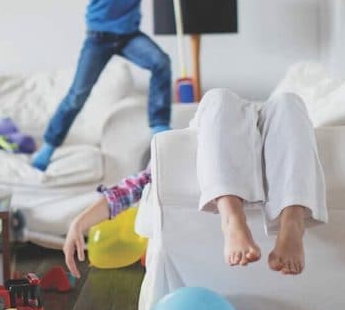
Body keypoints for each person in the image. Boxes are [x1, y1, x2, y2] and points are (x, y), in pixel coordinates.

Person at [63, 88, 328, 278]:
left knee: (289, 101)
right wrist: (79, 223)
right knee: (219, 97)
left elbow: (130, 188)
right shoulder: (205, 136)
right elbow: (130, 188)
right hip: (222, 131)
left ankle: (292, 222)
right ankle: (232, 218)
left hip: (278, 128)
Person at [31, 0, 172, 171]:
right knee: (77, 94)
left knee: (160, 62)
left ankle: (159, 128)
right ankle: (48, 147)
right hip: (100, 36)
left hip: (129, 33)